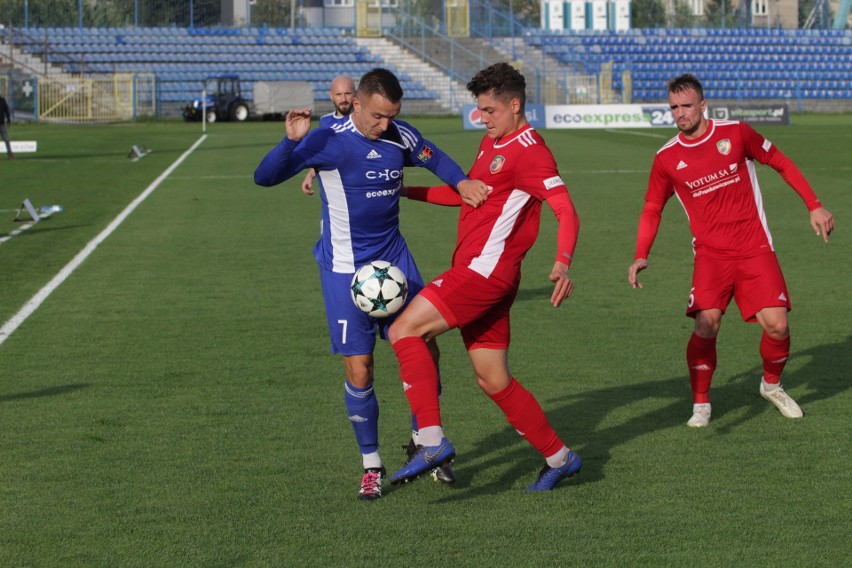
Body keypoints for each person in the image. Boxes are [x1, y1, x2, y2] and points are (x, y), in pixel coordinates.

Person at [253, 68, 489, 500]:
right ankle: (371, 464)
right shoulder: (327, 139)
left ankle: (427, 441)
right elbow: (264, 178)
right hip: (344, 271)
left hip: (395, 263)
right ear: (356, 104)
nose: (386, 126)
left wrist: (462, 180)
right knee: (360, 370)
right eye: (378, 117)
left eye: (392, 117)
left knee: (424, 346)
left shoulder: (399, 133)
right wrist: (290, 142)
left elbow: (434, 157)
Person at [387, 62, 583, 492]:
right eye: (480, 110)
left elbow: (566, 208)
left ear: (515, 105)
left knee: (404, 329)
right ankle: (560, 457)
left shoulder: (530, 150)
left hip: (483, 274)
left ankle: (432, 441)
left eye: (490, 110)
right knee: (493, 379)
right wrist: (407, 191)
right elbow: (468, 195)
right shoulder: (494, 140)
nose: (483, 118)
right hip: (490, 278)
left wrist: (563, 260)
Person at [627, 73, 835, 428]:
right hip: (711, 255)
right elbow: (651, 207)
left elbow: (780, 161)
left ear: (703, 105)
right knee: (707, 325)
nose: (680, 113)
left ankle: (771, 385)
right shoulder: (666, 158)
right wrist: (641, 252)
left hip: (754, 247)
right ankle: (701, 403)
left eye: (687, 105)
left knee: (778, 327)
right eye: (674, 107)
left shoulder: (736, 133)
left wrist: (814, 204)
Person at [300, 76, 355, 195]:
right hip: (336, 191)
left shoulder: (364, 120)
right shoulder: (325, 121)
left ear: (355, 94)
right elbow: (323, 152)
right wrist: (310, 175)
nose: (343, 99)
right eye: (338, 94)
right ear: (331, 95)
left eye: (348, 93)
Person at [0, 95, 14, 160]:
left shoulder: (2, 100)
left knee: (6, 139)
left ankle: (10, 154)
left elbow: (6, 111)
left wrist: (8, 120)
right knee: (6, 139)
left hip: (1, 123)